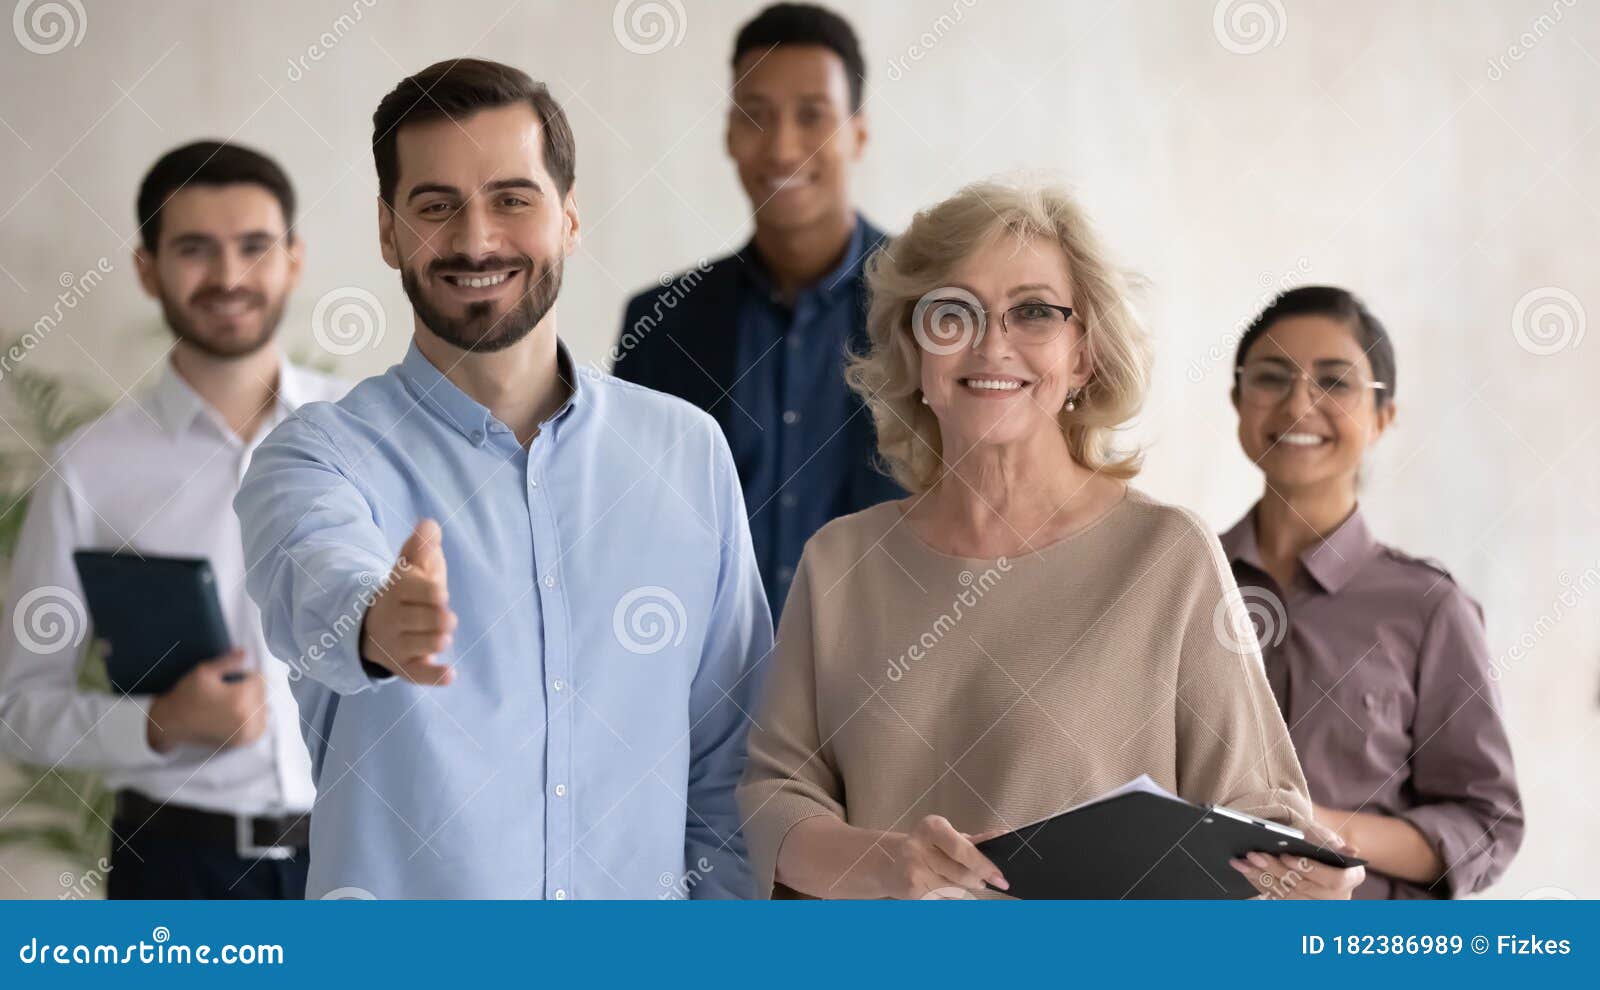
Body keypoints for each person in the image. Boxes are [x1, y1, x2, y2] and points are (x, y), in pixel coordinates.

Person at [736, 179, 1366, 900]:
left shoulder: (1168, 557)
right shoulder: (839, 562)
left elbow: (1261, 815)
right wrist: (885, 864)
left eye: (1033, 312)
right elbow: (771, 803)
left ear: (1083, 356)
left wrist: (1302, 880)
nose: (992, 344)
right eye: (953, 313)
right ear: (914, 351)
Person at [234, 59, 772, 900]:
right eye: (436, 205)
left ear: (568, 218)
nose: (476, 239)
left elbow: (729, 760)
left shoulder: (686, 453)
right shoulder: (316, 454)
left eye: (512, 199)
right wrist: (377, 621)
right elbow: (315, 576)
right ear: (388, 231)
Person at [0, 141, 346, 898]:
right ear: (147, 267)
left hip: (365, 864)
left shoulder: (372, 433)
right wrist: (157, 723)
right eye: (195, 249)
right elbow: (19, 708)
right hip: (178, 872)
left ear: (293, 258)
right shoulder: (87, 469)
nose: (228, 278)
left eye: (254, 248)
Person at [1220, 285, 1523, 898]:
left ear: (1382, 417)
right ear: (1238, 400)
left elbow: (1486, 821)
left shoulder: (1429, 608)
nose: (1299, 404)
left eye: (1334, 382)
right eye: (1271, 378)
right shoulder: (1179, 580)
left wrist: (1325, 837)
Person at [612, 3, 901, 619]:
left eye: (812, 116)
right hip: (711, 699)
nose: (783, 146)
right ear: (728, 134)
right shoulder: (661, 323)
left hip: (890, 685)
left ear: (859, 133)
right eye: (756, 116)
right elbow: (628, 536)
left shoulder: (936, 311)